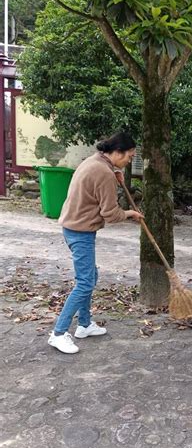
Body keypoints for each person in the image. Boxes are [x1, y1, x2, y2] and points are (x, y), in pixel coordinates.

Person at [48, 131, 143, 354]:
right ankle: (58, 333)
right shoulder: (104, 172)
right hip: (80, 231)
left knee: (91, 277)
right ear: (117, 152)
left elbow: (98, 187)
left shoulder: (96, 160)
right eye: (129, 157)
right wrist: (130, 213)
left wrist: (115, 174)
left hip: (74, 226)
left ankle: (84, 325)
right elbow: (110, 214)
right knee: (85, 283)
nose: (129, 162)